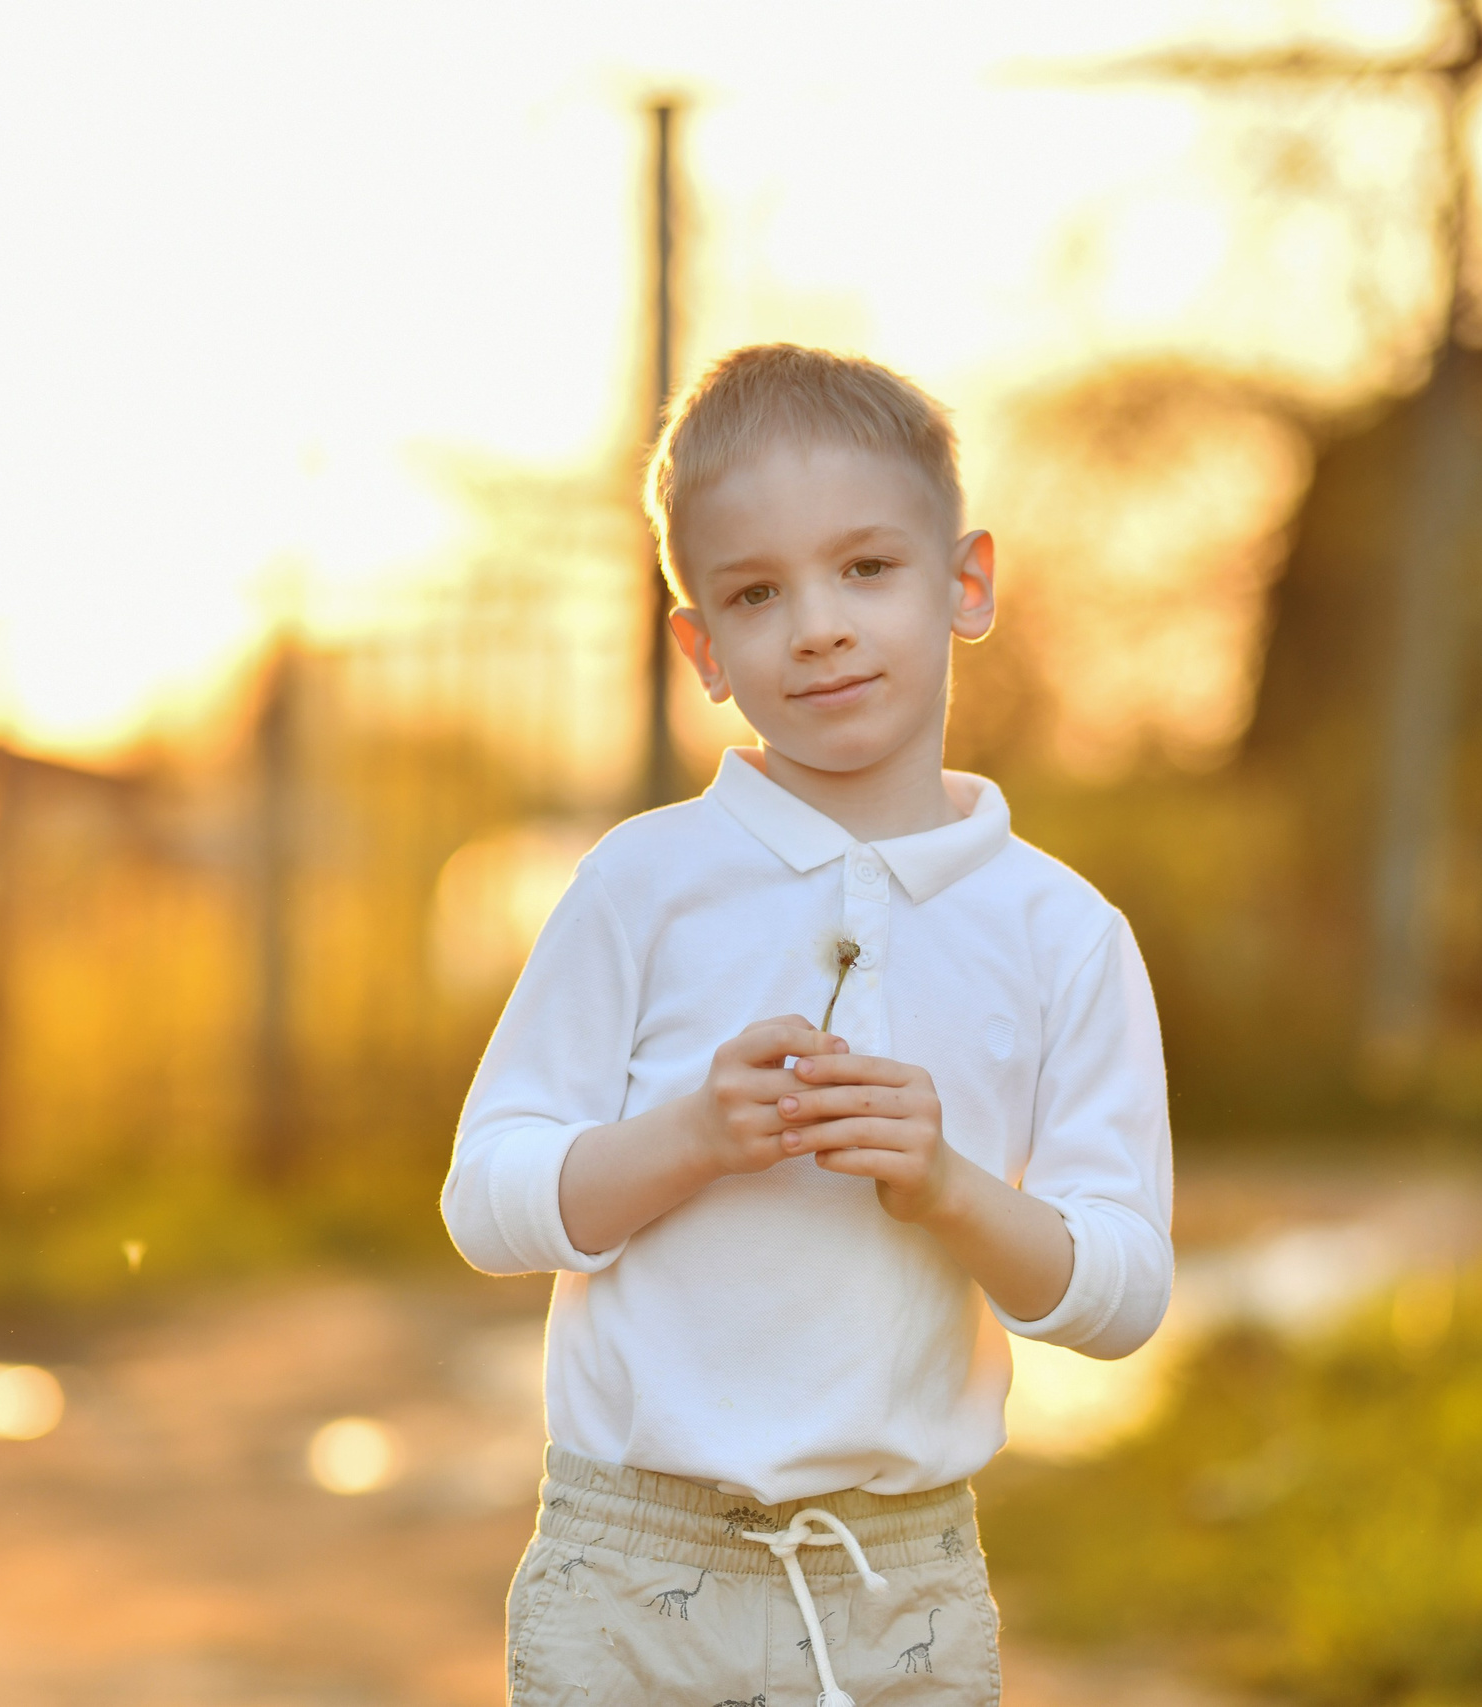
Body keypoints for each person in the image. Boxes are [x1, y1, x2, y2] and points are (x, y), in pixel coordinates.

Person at [441, 344, 1172, 1707]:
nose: (819, 625)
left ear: (967, 583)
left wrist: (947, 1188)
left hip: (900, 1590)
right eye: (758, 593)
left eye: (867, 569)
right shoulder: (640, 885)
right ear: (702, 649)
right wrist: (689, 1139)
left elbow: (1123, 1289)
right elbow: (485, 1202)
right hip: (630, 1577)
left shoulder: (1061, 934)